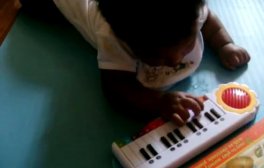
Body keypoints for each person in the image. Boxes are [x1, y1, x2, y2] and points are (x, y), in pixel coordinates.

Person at [53, 0, 250, 126]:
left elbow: (208, 21)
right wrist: (159, 102)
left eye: (187, 44)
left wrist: (225, 44)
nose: (175, 61)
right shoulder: (112, 34)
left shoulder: (190, 9)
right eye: (156, 57)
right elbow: (116, 87)